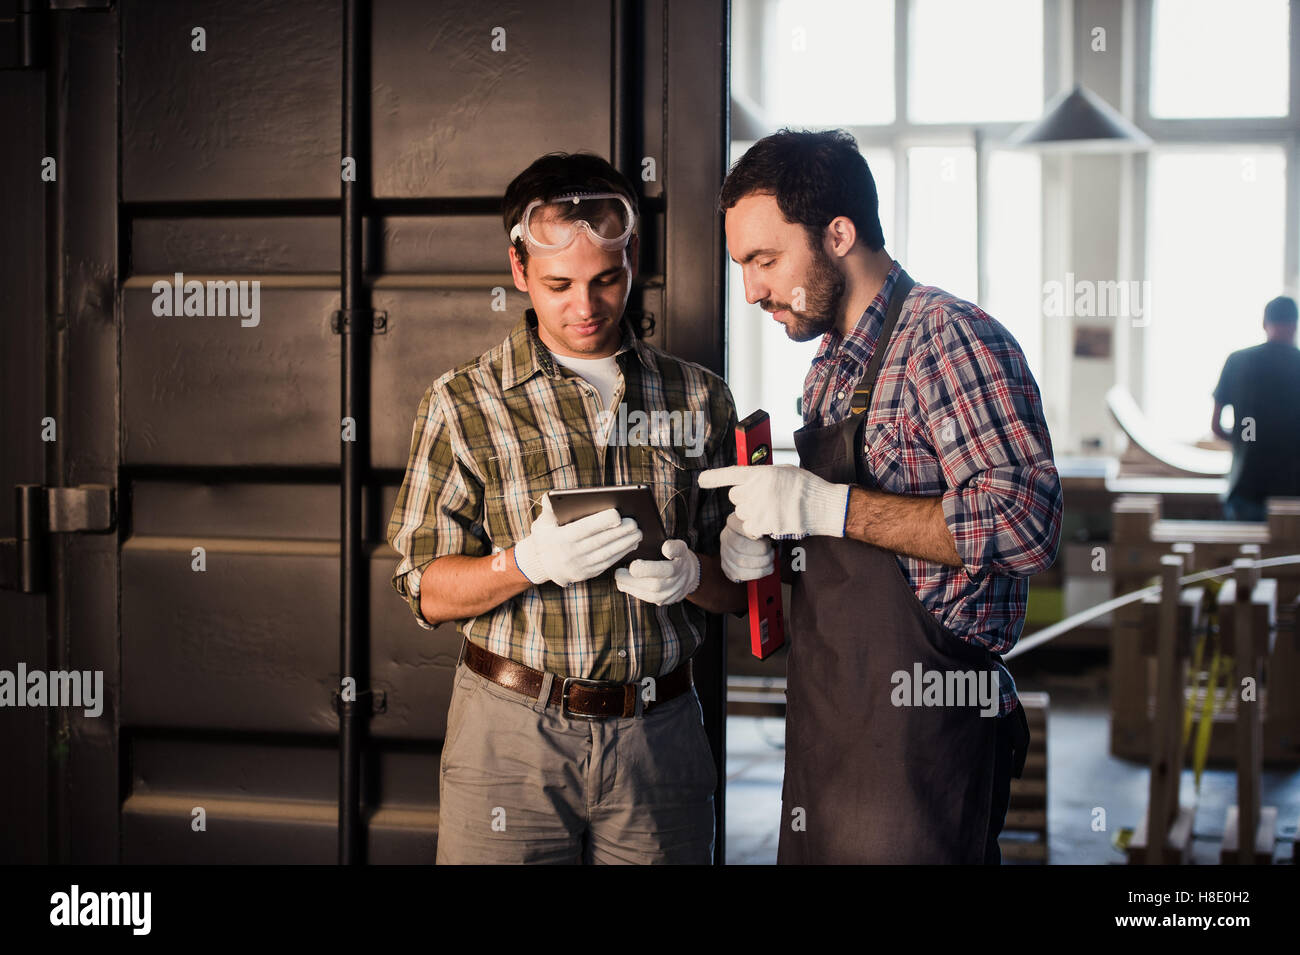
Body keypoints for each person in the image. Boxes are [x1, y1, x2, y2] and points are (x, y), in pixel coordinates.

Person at [702, 128, 1063, 864]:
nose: (751, 289)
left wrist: (828, 507)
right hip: (830, 721)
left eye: (765, 260)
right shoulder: (830, 368)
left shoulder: (949, 339)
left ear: (839, 233)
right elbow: (847, 549)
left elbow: (1026, 521)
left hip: (923, 737)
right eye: (743, 264)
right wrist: (768, 548)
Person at [386, 151, 745, 864]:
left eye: (606, 278)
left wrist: (692, 573)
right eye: (559, 284)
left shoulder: (699, 398)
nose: (586, 307)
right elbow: (422, 588)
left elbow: (741, 592)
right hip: (509, 737)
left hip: (661, 734)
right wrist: (522, 562)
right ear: (519, 270)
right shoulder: (462, 402)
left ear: (632, 256)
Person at [1210, 295, 1300, 522]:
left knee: (1244, 555)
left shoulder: (1238, 361)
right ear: (1295, 324)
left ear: (1264, 323)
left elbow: (1216, 427)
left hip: (1247, 486)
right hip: (1293, 492)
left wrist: (1244, 441)